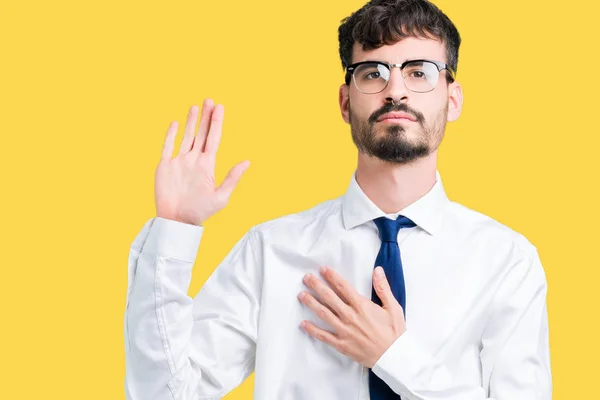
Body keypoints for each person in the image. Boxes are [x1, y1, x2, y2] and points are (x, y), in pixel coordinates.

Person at [124, 0, 552, 399]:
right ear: (346, 102)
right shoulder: (270, 251)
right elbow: (163, 393)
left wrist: (393, 356)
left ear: (452, 99)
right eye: (373, 72)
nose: (396, 91)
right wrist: (175, 229)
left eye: (419, 71)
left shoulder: (506, 261)